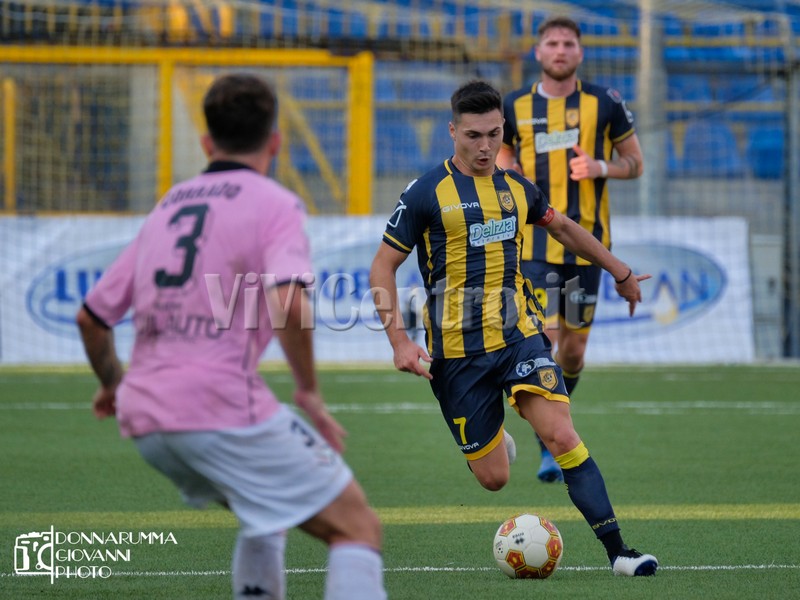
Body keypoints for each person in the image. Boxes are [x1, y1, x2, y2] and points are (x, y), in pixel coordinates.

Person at [76, 73, 386, 600]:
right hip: (215, 406)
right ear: (275, 142)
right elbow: (289, 302)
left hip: (145, 417)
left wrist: (112, 384)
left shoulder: (167, 207)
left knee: (264, 511)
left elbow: (91, 318)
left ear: (206, 143)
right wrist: (308, 391)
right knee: (356, 527)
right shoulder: (274, 203)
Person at [369, 80, 657, 577]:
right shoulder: (424, 194)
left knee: (563, 436)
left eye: (494, 134)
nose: (485, 147)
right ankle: (498, 438)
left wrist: (620, 270)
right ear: (452, 131)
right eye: (473, 136)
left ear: (504, 128)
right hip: (457, 354)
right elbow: (382, 266)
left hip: (519, 335)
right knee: (494, 478)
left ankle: (620, 553)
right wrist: (399, 340)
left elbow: (562, 227)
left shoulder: (516, 188)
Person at [497, 16, 645, 483]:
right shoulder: (514, 105)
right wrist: (510, 170)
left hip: (587, 247)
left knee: (575, 353)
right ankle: (551, 437)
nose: (560, 50)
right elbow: (501, 155)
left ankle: (549, 428)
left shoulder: (605, 103)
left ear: (579, 53)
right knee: (546, 340)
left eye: (568, 43)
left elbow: (635, 163)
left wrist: (600, 166)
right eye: (552, 43)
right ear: (538, 52)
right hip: (534, 245)